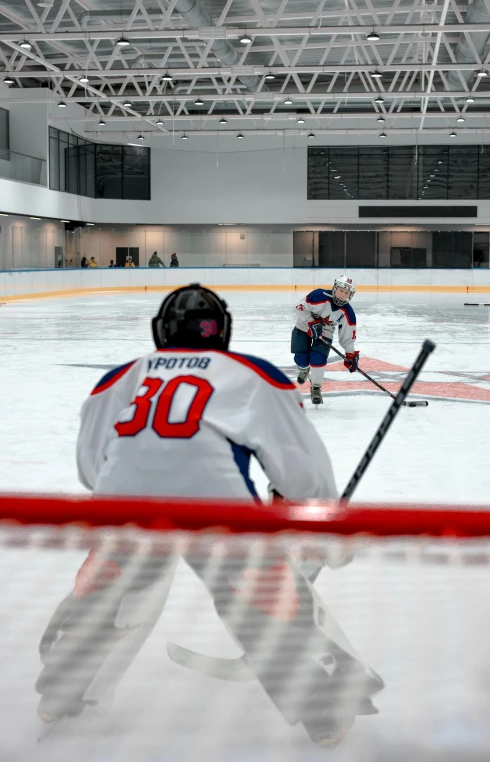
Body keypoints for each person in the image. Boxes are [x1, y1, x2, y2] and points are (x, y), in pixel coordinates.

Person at [35, 284, 381, 746]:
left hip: (125, 505)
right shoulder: (253, 374)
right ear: (222, 332)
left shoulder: (117, 378)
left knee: (116, 591)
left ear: (161, 330)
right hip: (216, 505)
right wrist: (317, 522)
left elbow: (89, 468)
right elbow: (302, 470)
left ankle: (61, 689)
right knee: (258, 605)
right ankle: (323, 713)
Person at [292, 275, 358, 405]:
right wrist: (310, 322)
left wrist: (350, 354)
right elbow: (300, 308)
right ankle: (304, 369)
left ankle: (316, 388)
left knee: (318, 359)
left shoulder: (347, 312)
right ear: (334, 288)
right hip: (304, 327)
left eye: (347, 293)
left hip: (325, 333)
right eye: (341, 290)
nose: (343, 295)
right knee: (301, 359)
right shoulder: (318, 296)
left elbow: (347, 336)